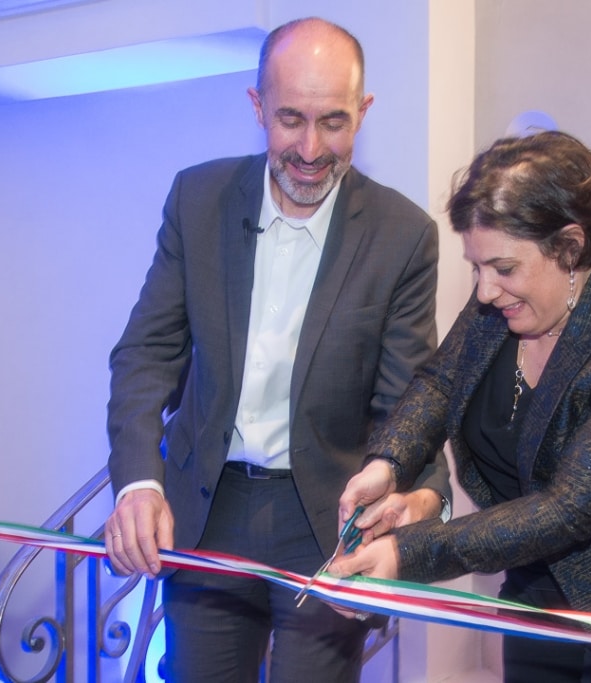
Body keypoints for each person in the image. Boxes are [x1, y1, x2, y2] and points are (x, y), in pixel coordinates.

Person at [332, 131, 591, 683]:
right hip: (537, 592)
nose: (485, 290)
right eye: (477, 268)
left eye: (503, 269)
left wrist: (406, 555)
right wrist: (386, 464)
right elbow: (440, 383)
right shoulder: (502, 299)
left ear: (570, 248)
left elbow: (569, 510)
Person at [103, 17, 451, 683]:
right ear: (257, 106)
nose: (312, 148)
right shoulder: (196, 199)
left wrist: (410, 499)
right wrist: (140, 482)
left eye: (335, 121)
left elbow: (408, 401)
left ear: (364, 112)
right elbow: (146, 354)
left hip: (326, 520)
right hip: (206, 511)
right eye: (291, 118)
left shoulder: (404, 235)